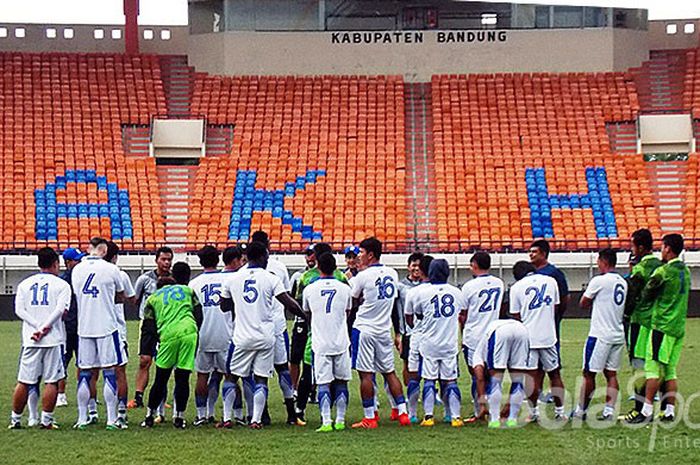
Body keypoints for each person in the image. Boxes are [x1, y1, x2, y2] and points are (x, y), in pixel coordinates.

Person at [219, 241, 306, 429]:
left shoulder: (233, 278)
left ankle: (226, 418)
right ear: (260, 257)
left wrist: (240, 304)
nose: (268, 259)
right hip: (265, 337)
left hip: (241, 336)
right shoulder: (270, 278)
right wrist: (304, 316)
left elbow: (224, 306)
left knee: (232, 377)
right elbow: (288, 302)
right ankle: (256, 420)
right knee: (261, 378)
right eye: (266, 256)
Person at [627, 234, 690, 424]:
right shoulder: (685, 270)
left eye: (662, 247)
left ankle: (645, 411)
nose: (661, 250)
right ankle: (668, 411)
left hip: (662, 325)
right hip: (678, 326)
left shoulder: (663, 271)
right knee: (670, 370)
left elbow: (645, 294)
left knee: (652, 367)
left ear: (668, 248)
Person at [349, 237, 410, 429]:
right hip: (384, 329)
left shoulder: (362, 277)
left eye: (361, 253)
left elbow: (352, 301)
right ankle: (402, 412)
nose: (359, 256)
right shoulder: (392, 273)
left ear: (370, 254)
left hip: (365, 329)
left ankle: (370, 417)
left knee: (365, 375)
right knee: (389, 372)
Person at [9, 247, 71, 430]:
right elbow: (60, 310)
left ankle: (16, 419)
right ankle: (46, 420)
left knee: (24, 380)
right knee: (52, 380)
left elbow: (19, 310)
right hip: (53, 339)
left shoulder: (24, 284)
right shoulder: (62, 285)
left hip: (30, 339)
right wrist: (44, 328)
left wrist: (36, 327)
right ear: (55, 264)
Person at [71, 237, 126, 430]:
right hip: (106, 326)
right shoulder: (112, 269)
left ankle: (82, 418)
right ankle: (111, 419)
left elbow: (77, 294)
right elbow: (120, 295)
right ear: (104, 251)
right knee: (110, 372)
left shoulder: (77, 269)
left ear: (89, 249)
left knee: (84, 374)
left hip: (84, 327)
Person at [140, 263, 203, 429]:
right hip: (189, 332)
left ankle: (149, 416)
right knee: (182, 377)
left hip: (168, 334)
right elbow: (198, 312)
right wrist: (195, 330)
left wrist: (157, 340)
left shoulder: (152, 299)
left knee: (161, 377)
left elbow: (148, 326)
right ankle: (179, 417)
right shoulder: (187, 291)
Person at [294, 242, 348, 425]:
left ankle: (300, 410)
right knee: (340, 379)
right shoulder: (342, 278)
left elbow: (301, 306)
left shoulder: (306, 278)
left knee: (308, 371)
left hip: (313, 333)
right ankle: (338, 417)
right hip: (339, 335)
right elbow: (349, 309)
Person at [572, 249, 627, 421]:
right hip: (618, 333)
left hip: (600, 334)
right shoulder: (622, 282)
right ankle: (609, 411)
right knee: (611, 374)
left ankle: (581, 411)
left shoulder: (599, 281)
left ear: (603, 261)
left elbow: (583, 303)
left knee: (588, 373)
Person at [410, 259, 466, 428]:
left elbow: (417, 315)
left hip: (429, 343)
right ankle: (455, 417)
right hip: (449, 343)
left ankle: (428, 417)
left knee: (429, 379)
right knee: (451, 381)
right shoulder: (457, 292)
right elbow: (463, 313)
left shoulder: (421, 293)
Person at [509, 260, 566, 422]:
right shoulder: (550, 281)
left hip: (529, 339)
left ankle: (534, 413)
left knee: (531, 377)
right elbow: (555, 307)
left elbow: (515, 315)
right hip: (549, 336)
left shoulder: (517, 288)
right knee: (554, 374)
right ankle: (560, 412)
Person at [251, 230, 296, 425]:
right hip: (277, 325)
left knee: (258, 373)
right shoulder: (279, 267)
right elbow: (285, 296)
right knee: (282, 369)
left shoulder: (245, 270)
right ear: (268, 246)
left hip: (255, 325)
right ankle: (291, 413)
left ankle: (262, 413)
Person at [188, 246, 237, 427]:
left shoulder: (194, 284)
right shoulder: (230, 279)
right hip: (226, 334)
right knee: (230, 376)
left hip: (203, 335)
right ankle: (233, 414)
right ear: (218, 260)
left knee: (202, 376)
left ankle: (202, 415)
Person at [623, 228, 662, 419]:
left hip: (640, 321)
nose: (632, 249)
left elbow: (633, 296)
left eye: (633, 245)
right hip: (657, 322)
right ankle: (661, 405)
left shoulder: (639, 269)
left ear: (639, 247)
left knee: (638, 364)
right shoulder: (661, 265)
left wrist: (625, 315)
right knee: (655, 363)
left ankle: (640, 409)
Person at [460, 251, 504, 419]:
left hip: (473, 335)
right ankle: (492, 410)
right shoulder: (498, 283)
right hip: (493, 334)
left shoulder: (469, 287)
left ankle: (480, 409)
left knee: (476, 376)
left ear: (475, 265)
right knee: (491, 374)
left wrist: (462, 331)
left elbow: (463, 314)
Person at [128, 246, 173, 409]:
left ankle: (161, 398)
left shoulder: (174, 279)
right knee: (144, 360)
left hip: (167, 324)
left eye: (169, 259)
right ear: (156, 260)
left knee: (164, 362)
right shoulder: (144, 278)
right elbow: (135, 300)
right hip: (148, 324)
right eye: (163, 259)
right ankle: (138, 397)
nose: (166, 262)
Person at [471, 319, 531, 429]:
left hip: (500, 332)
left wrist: (483, 405)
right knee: (518, 379)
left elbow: (479, 378)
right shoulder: (484, 341)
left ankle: (494, 419)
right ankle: (512, 419)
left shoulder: (477, 356)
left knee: (496, 379)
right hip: (522, 329)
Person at [529, 239, 569, 404]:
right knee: (535, 368)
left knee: (552, 367)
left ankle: (556, 401)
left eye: (534, 252)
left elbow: (565, 297)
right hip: (533, 326)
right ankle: (536, 396)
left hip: (548, 326)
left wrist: (557, 316)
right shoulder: (530, 274)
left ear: (544, 254)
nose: (531, 254)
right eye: (530, 251)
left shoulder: (554, 273)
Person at [104, 241, 136, 426]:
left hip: (91, 328)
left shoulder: (86, 271)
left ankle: (89, 413)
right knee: (119, 371)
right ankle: (121, 413)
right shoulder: (119, 274)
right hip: (115, 328)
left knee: (90, 371)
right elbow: (131, 298)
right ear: (115, 256)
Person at [403, 254, 432, 423]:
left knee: (413, 375)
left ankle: (412, 413)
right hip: (437, 337)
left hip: (416, 336)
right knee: (437, 376)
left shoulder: (414, 292)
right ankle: (449, 414)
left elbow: (408, 316)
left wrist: (415, 328)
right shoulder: (451, 290)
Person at [56, 247, 85, 408]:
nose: (80, 262)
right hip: (66, 327)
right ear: (68, 262)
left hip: (81, 325)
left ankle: (84, 391)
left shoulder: (82, 277)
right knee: (63, 361)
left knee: (83, 361)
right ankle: (61, 394)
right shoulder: (62, 282)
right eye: (76, 259)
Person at [289, 245, 316, 395]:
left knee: (313, 356)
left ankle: (312, 388)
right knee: (295, 356)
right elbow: (292, 299)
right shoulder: (298, 276)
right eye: (307, 254)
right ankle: (294, 388)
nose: (310, 257)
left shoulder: (321, 275)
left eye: (312, 254)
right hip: (301, 321)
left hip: (316, 321)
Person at [395, 252, 424, 386]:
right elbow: (396, 310)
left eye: (419, 266)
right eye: (414, 265)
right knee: (407, 363)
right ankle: (411, 391)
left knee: (429, 361)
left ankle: (433, 391)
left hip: (426, 331)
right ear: (408, 267)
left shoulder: (427, 285)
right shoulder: (401, 286)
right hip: (407, 331)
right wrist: (398, 333)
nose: (416, 269)